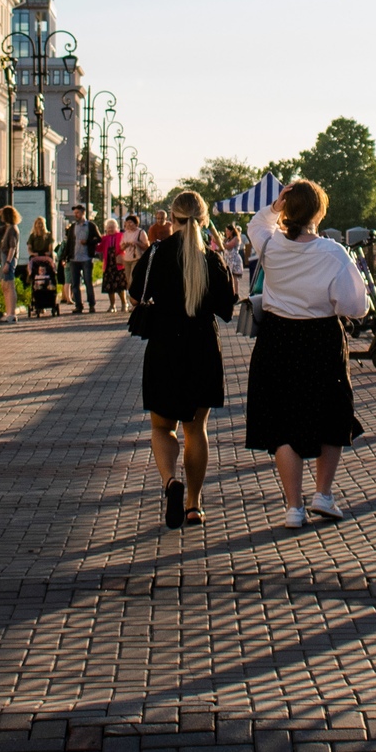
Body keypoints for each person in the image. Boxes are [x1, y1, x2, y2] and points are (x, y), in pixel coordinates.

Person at [243, 178, 369, 530]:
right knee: (331, 412)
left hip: (277, 337)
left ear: (288, 209)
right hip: (320, 338)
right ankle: (323, 495)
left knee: (282, 421)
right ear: (319, 211)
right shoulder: (332, 253)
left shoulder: (270, 246)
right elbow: (355, 306)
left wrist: (275, 207)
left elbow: (256, 224)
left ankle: (293, 507)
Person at [130, 188, 238, 527]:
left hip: (164, 348)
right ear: (203, 220)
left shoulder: (157, 253)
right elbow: (226, 309)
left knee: (162, 428)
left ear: (171, 219)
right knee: (196, 429)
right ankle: (193, 504)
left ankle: (169, 481)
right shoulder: (211, 258)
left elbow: (135, 294)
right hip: (202, 348)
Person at [62, 203, 101, 315]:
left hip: (86, 258)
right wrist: (65, 257)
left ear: (83, 213)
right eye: (75, 213)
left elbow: (98, 239)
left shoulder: (91, 226)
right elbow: (69, 243)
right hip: (74, 259)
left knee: (88, 282)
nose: (76, 215)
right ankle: (78, 305)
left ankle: (91, 305)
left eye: (78, 213)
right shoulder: (73, 227)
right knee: (75, 284)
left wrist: (88, 242)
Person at [25, 219, 60, 317]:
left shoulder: (48, 236)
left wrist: (49, 253)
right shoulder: (33, 236)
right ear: (35, 225)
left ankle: (50, 301)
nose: (39, 226)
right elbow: (29, 248)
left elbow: (50, 248)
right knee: (34, 273)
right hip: (36, 257)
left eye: (41, 224)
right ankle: (37, 303)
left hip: (45, 257)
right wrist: (32, 253)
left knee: (49, 274)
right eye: (38, 224)